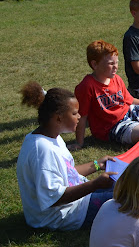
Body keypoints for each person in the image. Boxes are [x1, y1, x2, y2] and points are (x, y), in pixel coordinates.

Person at [16, 81, 115, 230]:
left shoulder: (52, 136)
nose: (79, 116)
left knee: (127, 186)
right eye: (74, 113)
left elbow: (67, 172)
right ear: (58, 118)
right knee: (131, 199)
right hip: (60, 215)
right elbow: (55, 198)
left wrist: (97, 165)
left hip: (75, 202)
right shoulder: (42, 150)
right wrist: (95, 184)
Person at [74, 40, 139, 149]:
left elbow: (130, 100)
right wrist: (79, 143)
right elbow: (82, 116)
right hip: (112, 127)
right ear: (95, 64)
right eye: (111, 63)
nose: (116, 67)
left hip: (129, 112)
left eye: (116, 62)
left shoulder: (116, 78)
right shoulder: (86, 86)